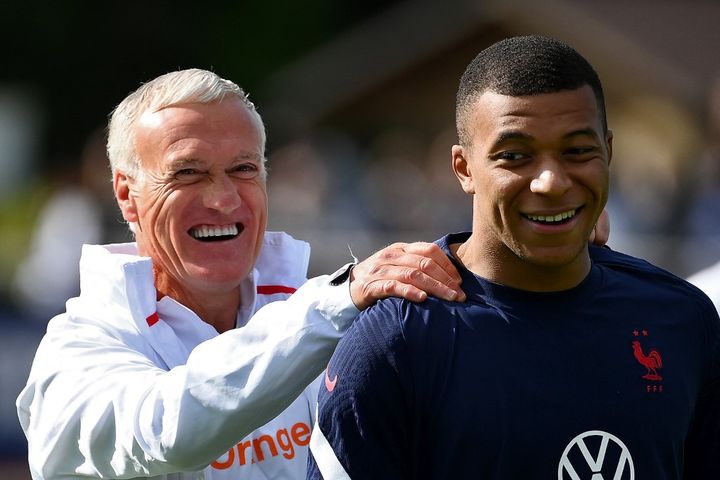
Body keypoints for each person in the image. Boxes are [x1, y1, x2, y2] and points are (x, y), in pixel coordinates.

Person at [15, 68, 467, 480]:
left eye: (243, 169)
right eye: (188, 172)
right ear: (126, 194)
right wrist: (337, 302)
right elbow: (164, 431)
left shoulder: (325, 312)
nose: (223, 198)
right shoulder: (77, 350)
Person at [308, 35, 720, 479]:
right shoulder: (395, 343)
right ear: (465, 168)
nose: (551, 181)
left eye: (577, 151)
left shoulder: (681, 318)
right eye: (515, 156)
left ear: (608, 152)